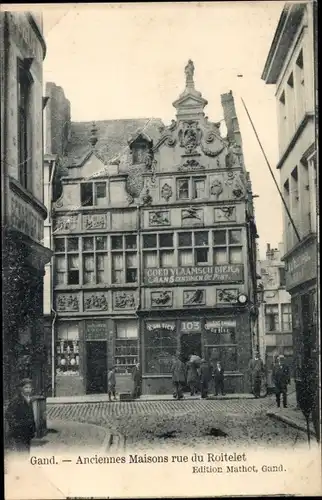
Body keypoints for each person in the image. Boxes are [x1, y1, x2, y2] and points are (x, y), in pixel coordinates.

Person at [5, 378, 36, 455]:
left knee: (27, 453)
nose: (28, 390)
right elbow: (8, 414)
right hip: (19, 433)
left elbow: (31, 416)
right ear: (21, 388)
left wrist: (33, 429)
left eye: (30, 387)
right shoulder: (17, 400)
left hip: (27, 433)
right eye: (26, 387)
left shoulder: (29, 399)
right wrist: (16, 426)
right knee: (22, 454)